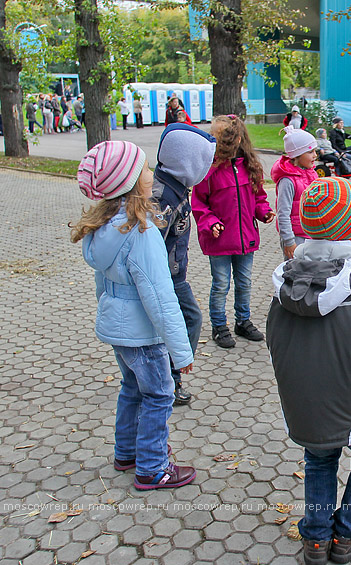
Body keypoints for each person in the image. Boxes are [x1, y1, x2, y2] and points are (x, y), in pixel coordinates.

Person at [265, 176, 351, 565]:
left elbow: (275, 340)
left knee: (319, 459)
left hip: (305, 400)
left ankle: (317, 538)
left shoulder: (284, 282)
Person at [70, 141, 196, 490]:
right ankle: (153, 467)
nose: (150, 174)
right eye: (143, 169)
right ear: (128, 181)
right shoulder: (141, 232)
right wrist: (181, 351)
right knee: (159, 394)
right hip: (143, 334)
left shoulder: (107, 226)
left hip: (117, 329)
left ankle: (126, 452)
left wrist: (108, 315)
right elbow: (160, 297)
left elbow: (102, 282)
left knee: (131, 388)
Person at [193, 115, 276, 349]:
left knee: (244, 282)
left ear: (238, 140)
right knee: (220, 284)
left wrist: (264, 211)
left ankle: (243, 321)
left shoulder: (250, 168)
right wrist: (210, 222)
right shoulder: (208, 171)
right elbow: (199, 204)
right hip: (219, 240)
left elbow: (258, 197)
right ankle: (219, 326)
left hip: (245, 239)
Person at [152, 122, 217, 405]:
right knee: (190, 318)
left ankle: (164, 375)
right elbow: (150, 248)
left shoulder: (174, 187)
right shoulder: (163, 199)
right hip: (165, 278)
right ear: (188, 162)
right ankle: (170, 378)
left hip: (173, 275)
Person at [270, 126, 318, 260]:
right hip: (296, 237)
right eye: (310, 152)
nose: (315, 155)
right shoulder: (287, 181)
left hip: (312, 235)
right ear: (297, 155)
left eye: (315, 151)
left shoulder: (312, 174)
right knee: (295, 274)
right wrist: (289, 241)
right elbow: (283, 213)